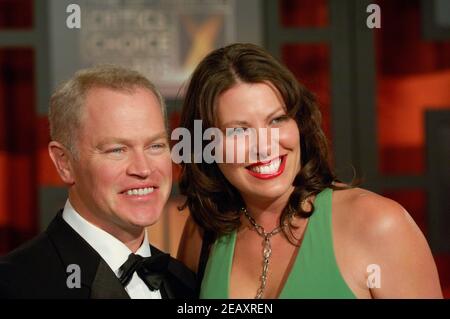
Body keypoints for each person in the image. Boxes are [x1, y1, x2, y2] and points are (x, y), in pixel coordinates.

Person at [176, 43, 443, 299]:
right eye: (239, 130)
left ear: (299, 123)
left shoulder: (379, 224)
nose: (264, 146)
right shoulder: (202, 234)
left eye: (277, 120)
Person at [0, 65, 196, 299]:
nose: (143, 169)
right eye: (117, 150)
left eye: (155, 146)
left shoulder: (186, 284)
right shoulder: (12, 286)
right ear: (64, 163)